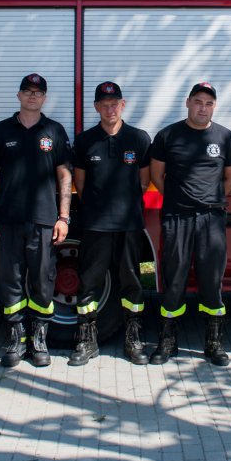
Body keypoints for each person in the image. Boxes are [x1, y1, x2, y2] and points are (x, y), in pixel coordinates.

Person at [0, 73, 72, 368]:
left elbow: (65, 176)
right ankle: (15, 339)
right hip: (8, 220)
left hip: (45, 221)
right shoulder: (0, 131)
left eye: (38, 92)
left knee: (44, 283)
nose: (33, 96)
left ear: (44, 98)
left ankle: (39, 339)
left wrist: (64, 217)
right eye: (27, 91)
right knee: (10, 281)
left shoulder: (54, 131)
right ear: (18, 96)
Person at [148, 82, 231, 366]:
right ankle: (167, 342)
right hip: (178, 218)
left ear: (214, 106)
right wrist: (180, 200)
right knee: (173, 278)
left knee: (212, 280)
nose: (203, 107)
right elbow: (156, 176)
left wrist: (210, 201)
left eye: (209, 103)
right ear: (187, 102)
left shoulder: (225, 137)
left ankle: (213, 344)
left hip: (211, 219)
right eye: (198, 101)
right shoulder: (168, 136)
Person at [69, 81, 152, 367]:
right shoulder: (84, 141)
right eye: (104, 105)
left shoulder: (139, 139)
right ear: (96, 108)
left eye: (114, 103)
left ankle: (133, 338)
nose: (109, 109)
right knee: (90, 281)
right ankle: (86, 340)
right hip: (95, 225)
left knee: (132, 280)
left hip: (130, 224)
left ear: (123, 105)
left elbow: (143, 181)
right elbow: (80, 182)